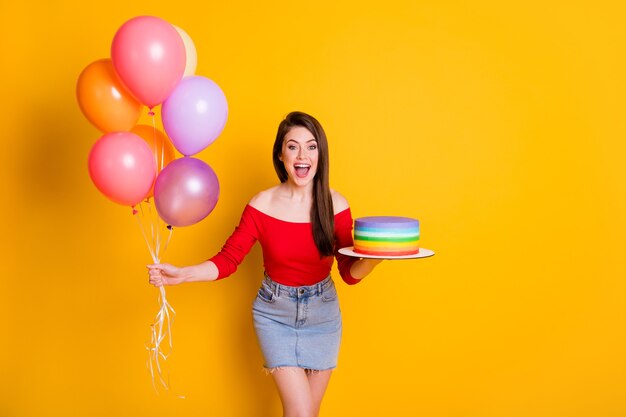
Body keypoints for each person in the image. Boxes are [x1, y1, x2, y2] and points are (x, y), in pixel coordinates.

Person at [147, 111, 382, 417]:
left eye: (311, 147)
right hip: (276, 314)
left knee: (310, 412)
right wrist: (182, 274)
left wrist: (376, 260)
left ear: (321, 154)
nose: (302, 155)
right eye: (293, 146)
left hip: (323, 314)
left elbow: (349, 274)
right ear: (281, 154)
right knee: (300, 413)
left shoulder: (335, 205)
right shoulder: (262, 204)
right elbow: (229, 260)